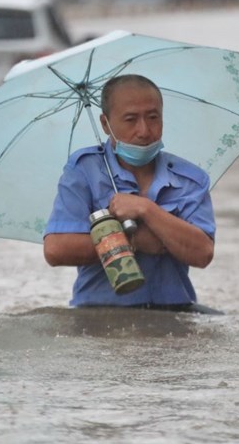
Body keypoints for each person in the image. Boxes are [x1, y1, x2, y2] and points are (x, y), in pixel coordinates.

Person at [44, 74, 215, 308]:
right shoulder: (84, 171)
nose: (144, 131)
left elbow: (203, 253)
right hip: (99, 314)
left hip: (174, 314)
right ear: (105, 124)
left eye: (153, 117)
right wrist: (134, 240)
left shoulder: (190, 179)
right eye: (131, 119)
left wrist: (146, 209)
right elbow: (56, 249)